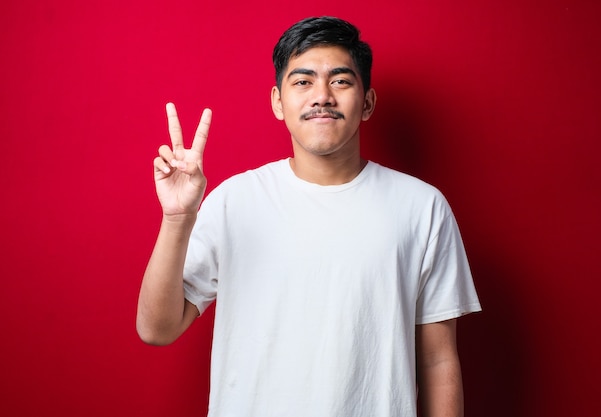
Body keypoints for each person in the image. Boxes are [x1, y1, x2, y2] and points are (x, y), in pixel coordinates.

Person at [137, 16, 481, 417]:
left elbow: (438, 361)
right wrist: (178, 218)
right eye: (302, 81)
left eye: (340, 80)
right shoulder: (234, 201)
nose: (322, 96)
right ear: (277, 103)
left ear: (367, 102)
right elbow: (156, 329)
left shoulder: (422, 208)